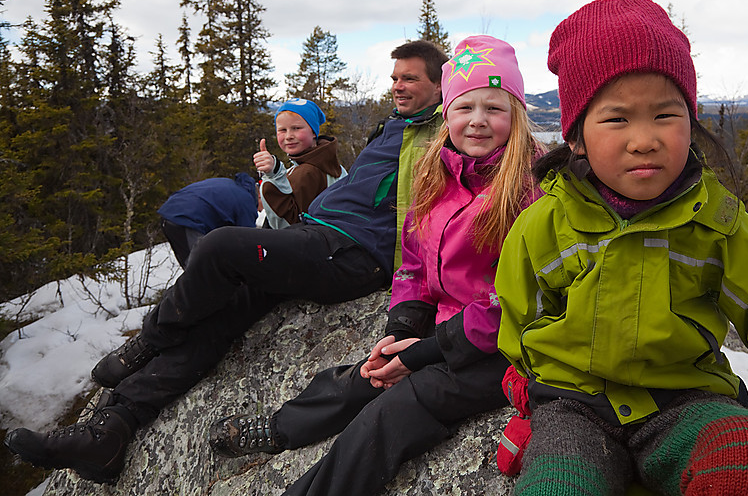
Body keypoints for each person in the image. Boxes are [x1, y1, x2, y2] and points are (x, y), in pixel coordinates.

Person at [3, 40, 449, 483]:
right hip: (315, 237)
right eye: (394, 77)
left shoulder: (444, 134)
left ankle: (150, 340)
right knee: (217, 316)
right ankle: (112, 429)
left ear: (440, 84)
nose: (397, 86)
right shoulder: (394, 126)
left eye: (410, 78)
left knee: (219, 246)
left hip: (353, 252)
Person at [495, 0, 748, 496]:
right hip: (575, 409)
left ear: (690, 120)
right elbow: (519, 324)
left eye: (665, 114)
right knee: (559, 487)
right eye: (617, 119)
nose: (644, 140)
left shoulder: (720, 227)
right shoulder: (543, 226)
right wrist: (532, 402)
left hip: (690, 403)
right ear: (576, 137)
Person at [206, 35, 544, 496]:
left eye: (495, 107)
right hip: (447, 331)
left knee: (394, 411)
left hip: (503, 349)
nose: (478, 121)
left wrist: (422, 354)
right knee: (366, 373)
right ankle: (282, 428)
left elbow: (511, 303)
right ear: (448, 114)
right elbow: (413, 264)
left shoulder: (531, 191)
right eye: (466, 107)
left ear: (517, 115)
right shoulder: (438, 174)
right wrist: (403, 323)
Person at [254, 97, 346, 229]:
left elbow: (287, 227)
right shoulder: (327, 162)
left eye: (296, 128)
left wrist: (273, 175)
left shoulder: (309, 171)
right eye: (282, 130)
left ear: (313, 132)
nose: (289, 136)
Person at [157, 172, 260, 268]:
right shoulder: (246, 201)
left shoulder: (231, 185)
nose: (264, 210)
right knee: (202, 269)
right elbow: (247, 240)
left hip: (169, 214)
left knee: (193, 268)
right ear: (260, 196)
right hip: (187, 220)